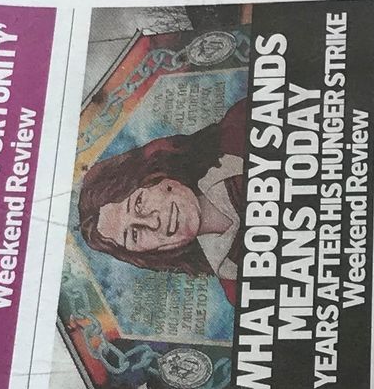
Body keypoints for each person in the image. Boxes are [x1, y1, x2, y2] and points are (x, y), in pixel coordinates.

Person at [74, 96, 248, 301]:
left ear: (154, 176)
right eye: (135, 235)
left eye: (138, 203)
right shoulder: (239, 290)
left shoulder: (241, 124)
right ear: (150, 254)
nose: (152, 222)